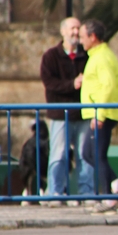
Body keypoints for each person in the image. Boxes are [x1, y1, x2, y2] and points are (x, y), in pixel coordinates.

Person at [40, 17, 94, 206]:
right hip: (60, 114)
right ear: (63, 31)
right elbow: (50, 83)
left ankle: (86, 192)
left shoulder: (86, 55)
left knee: (84, 155)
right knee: (58, 154)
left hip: (83, 114)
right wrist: (73, 84)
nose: (75, 32)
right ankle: (55, 192)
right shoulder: (50, 56)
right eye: (72, 28)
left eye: (78, 29)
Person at [78, 19, 118, 214]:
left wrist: (99, 113)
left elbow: (107, 86)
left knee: (95, 154)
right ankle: (116, 185)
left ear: (92, 37)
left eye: (82, 37)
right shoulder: (97, 55)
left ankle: (110, 195)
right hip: (98, 113)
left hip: (101, 114)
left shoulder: (102, 57)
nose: (80, 41)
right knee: (91, 154)